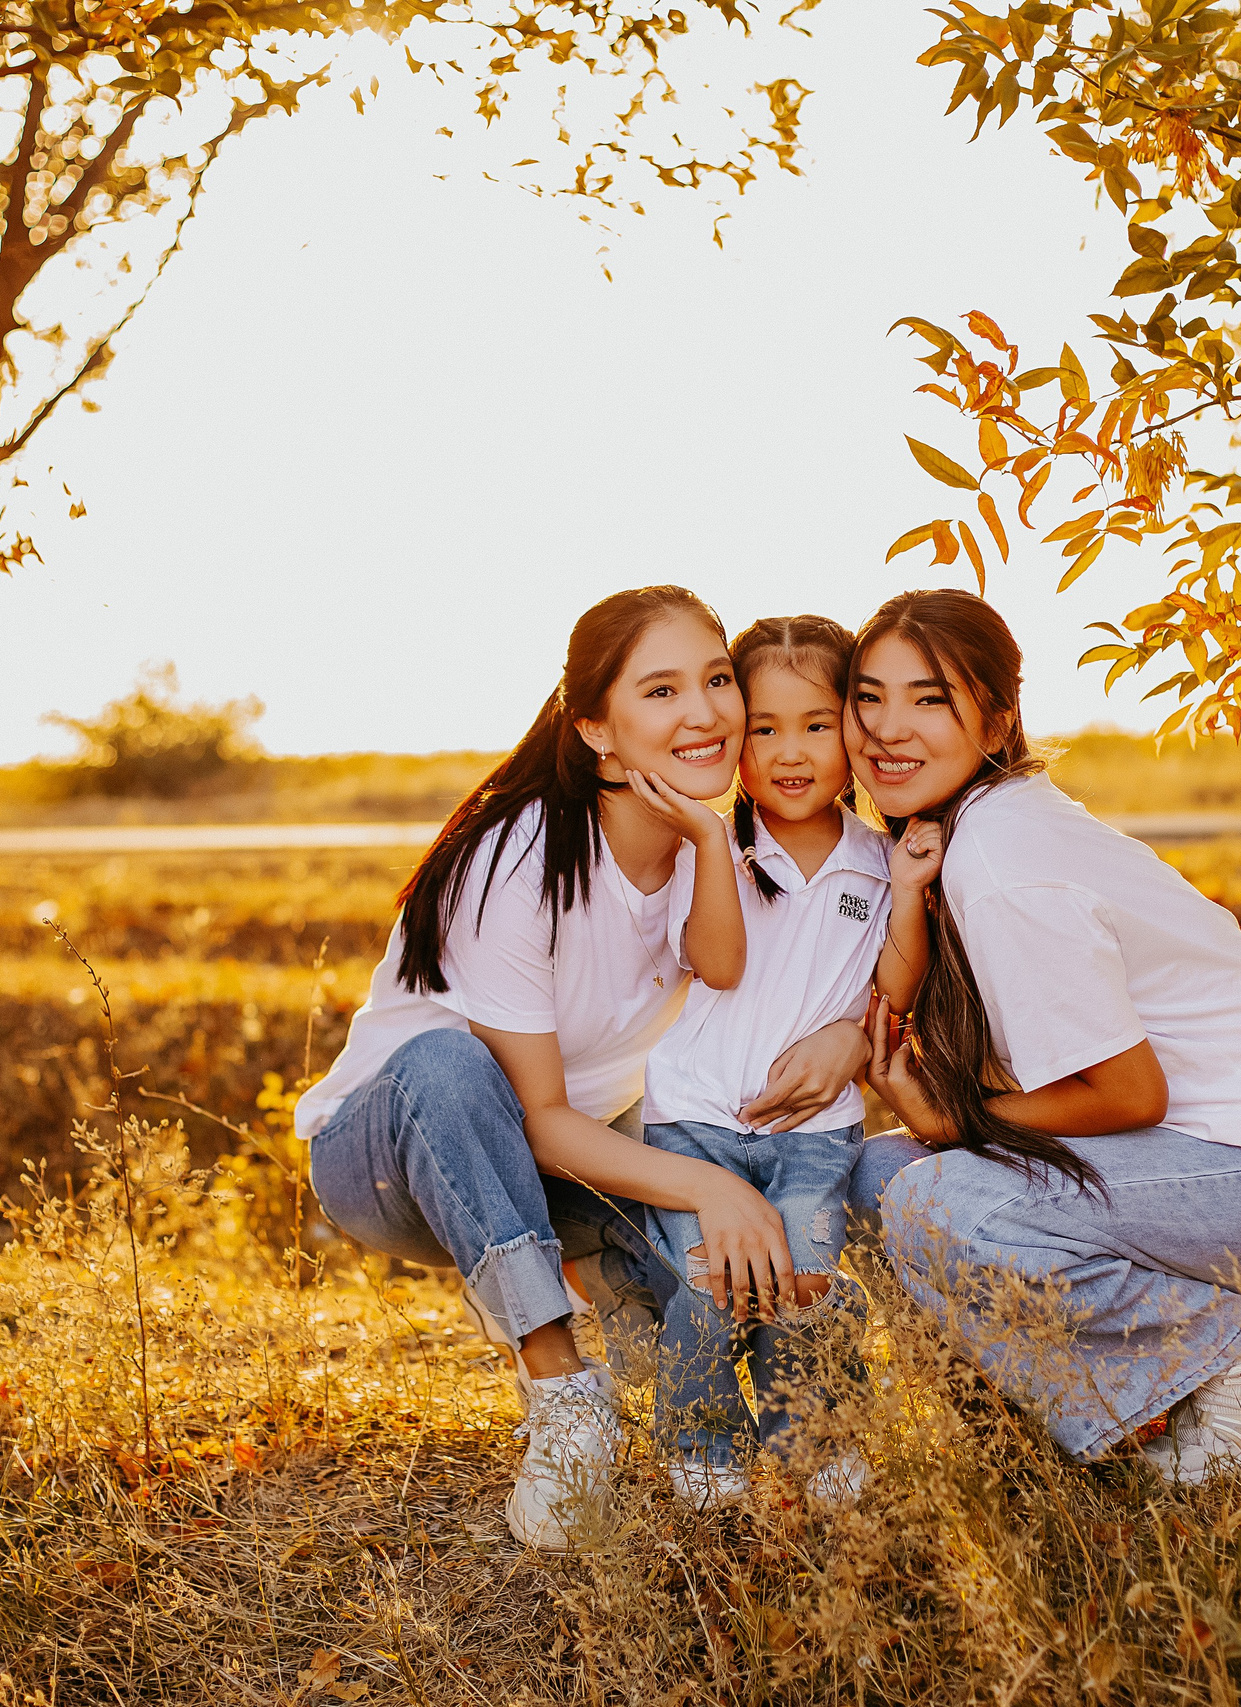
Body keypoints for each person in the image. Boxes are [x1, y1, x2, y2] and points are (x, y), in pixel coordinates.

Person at [296, 586, 869, 1550]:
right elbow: (538, 1114)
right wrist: (709, 1184)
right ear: (597, 729)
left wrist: (849, 1038)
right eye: (660, 690)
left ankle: (755, 1399)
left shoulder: (714, 847)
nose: (705, 712)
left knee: (724, 1274)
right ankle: (562, 1394)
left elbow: (801, 972)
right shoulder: (515, 861)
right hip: (399, 1155)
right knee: (451, 1061)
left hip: (566, 1158)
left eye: (717, 679)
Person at [844, 589, 1241, 1483]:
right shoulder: (963, 830)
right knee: (872, 1178)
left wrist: (958, 1122)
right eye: (868, 696)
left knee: (938, 1201)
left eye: (929, 698)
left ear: (999, 717)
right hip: (1201, 1155)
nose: (889, 727)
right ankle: (1107, 1422)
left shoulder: (1001, 858)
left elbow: (1129, 1093)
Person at [636, 615, 936, 1509]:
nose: (788, 751)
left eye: (814, 724)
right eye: (762, 729)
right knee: (715, 1286)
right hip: (694, 1120)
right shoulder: (709, 847)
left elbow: (893, 981)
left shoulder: (877, 862)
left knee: (801, 1287)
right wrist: (710, 841)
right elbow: (711, 957)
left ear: (850, 731)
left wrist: (913, 894)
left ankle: (813, 1435)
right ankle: (699, 1441)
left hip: (815, 1134)